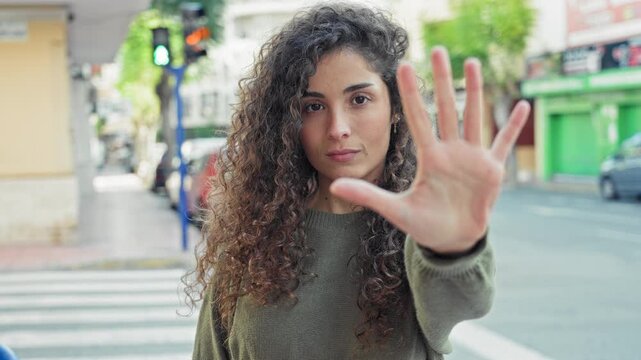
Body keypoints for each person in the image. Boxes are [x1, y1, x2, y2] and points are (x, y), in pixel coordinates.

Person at [188, 2, 530, 359]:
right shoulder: (252, 241)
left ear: (394, 107)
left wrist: (453, 249)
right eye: (313, 106)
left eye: (360, 99)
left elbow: (462, 301)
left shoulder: (419, 230)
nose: (338, 129)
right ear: (290, 122)